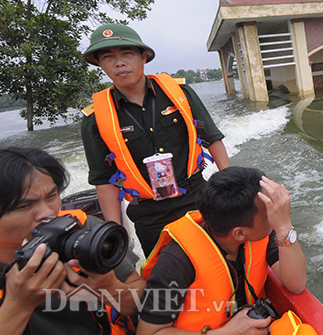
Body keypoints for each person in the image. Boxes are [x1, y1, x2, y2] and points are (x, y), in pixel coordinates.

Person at [80, 23, 231, 256]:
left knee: (218, 262)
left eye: (127, 54)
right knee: (166, 280)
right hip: (149, 214)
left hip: (197, 199)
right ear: (100, 64)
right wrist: (115, 230)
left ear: (143, 57)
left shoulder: (179, 93)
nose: (119, 63)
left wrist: (229, 186)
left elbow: (211, 138)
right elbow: (104, 179)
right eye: (108, 57)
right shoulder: (95, 117)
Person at [137, 166, 307, 335]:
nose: (274, 217)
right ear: (239, 233)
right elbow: (149, 333)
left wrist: (285, 228)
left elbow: (296, 284)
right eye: (268, 215)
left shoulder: (259, 233)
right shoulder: (175, 262)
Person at [0, 147, 144, 335]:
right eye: (25, 205)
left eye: (52, 195)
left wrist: (111, 289)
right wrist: (17, 306)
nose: (48, 213)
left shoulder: (84, 231)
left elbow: (145, 301)